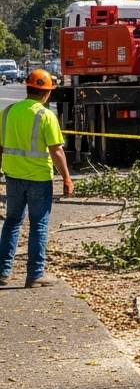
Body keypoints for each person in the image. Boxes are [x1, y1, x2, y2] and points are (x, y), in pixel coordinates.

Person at [0, 69, 74, 288]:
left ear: (27, 88)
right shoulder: (46, 115)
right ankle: (35, 274)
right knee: (38, 225)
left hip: (12, 176)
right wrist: (67, 179)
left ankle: (3, 272)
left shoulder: (8, 112)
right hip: (39, 178)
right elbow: (56, 151)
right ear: (46, 93)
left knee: (12, 223)